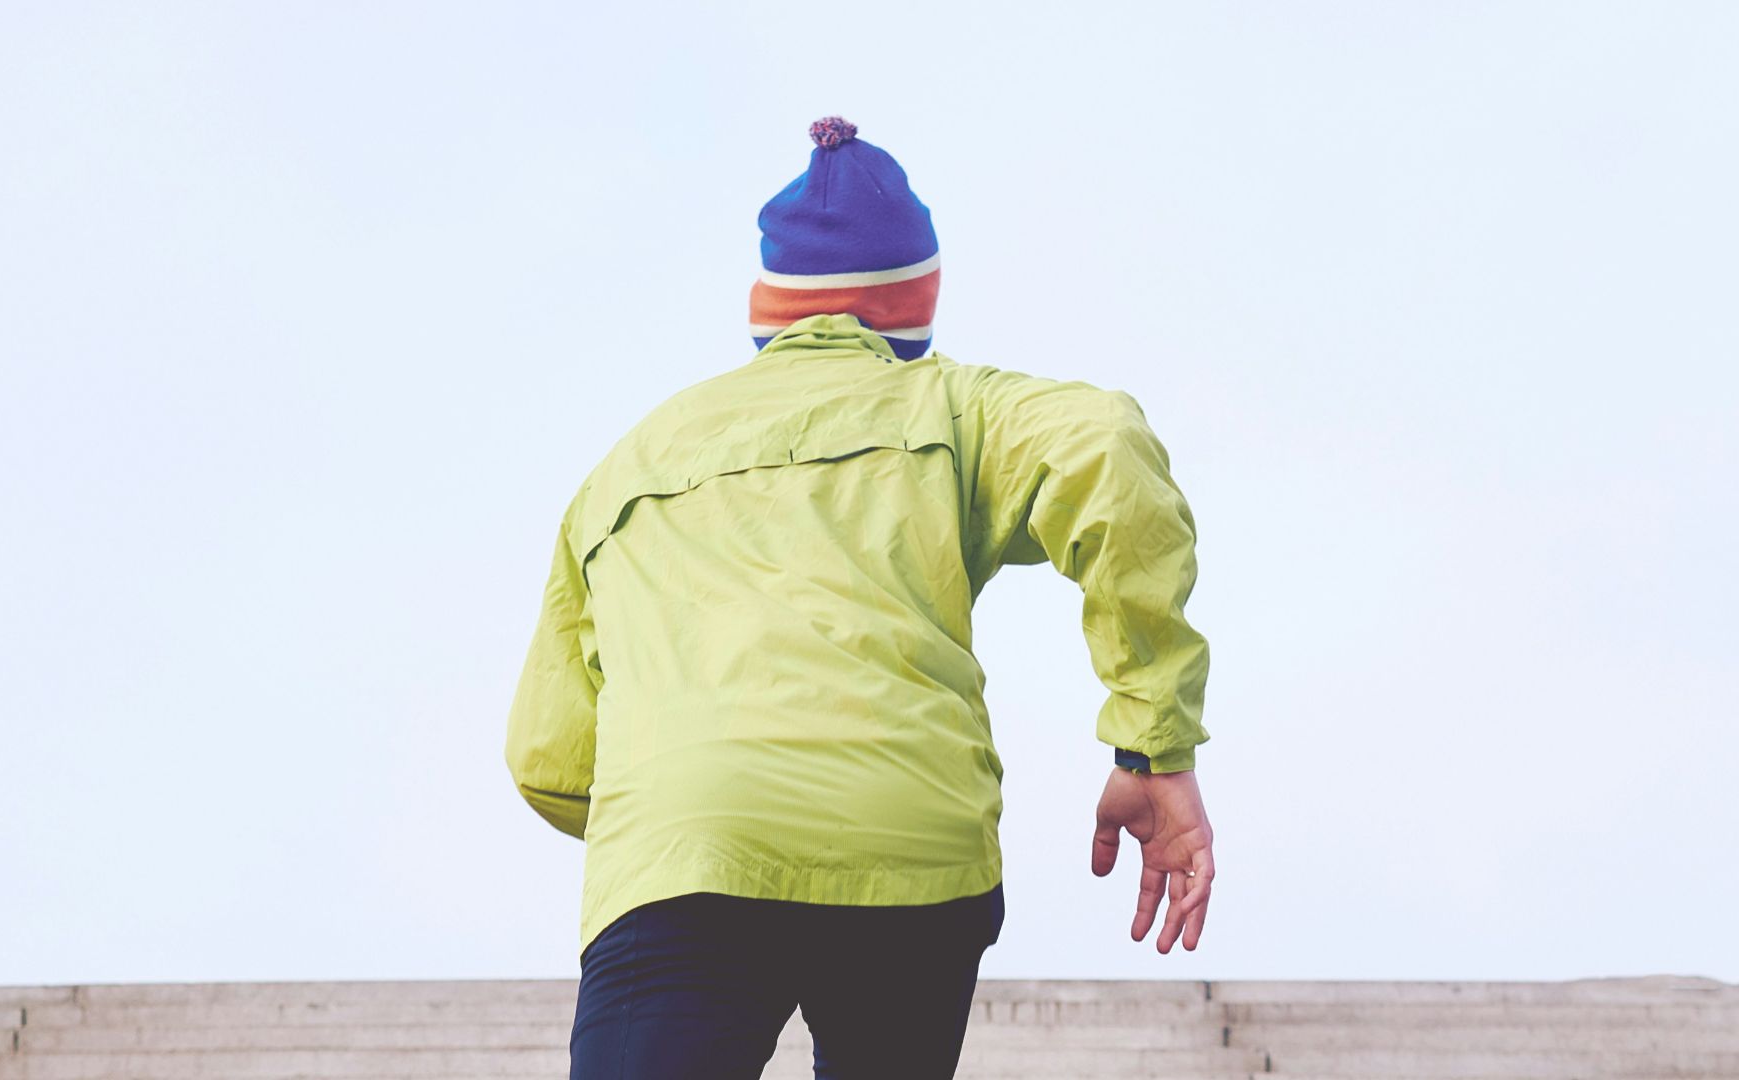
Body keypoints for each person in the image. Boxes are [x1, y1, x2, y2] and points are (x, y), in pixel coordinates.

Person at [505, 115, 1215, 1080]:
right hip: (909, 842)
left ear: (767, 305)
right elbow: (1106, 446)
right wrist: (1151, 742)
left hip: (686, 843)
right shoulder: (953, 407)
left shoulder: (627, 464)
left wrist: (693, 792)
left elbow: (548, 760)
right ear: (916, 300)